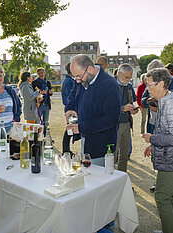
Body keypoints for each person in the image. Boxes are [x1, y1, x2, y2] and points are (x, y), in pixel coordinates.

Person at [65, 54, 121, 232]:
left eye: (79, 76)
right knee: (87, 182)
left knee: (100, 187)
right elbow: (73, 96)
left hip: (102, 145)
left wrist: (81, 127)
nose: (77, 80)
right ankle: (90, 221)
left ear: (90, 69)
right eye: (75, 77)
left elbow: (111, 120)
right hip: (86, 140)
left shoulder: (110, 85)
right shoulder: (82, 79)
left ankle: (106, 225)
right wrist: (70, 108)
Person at [143, 68, 173, 233]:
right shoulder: (164, 100)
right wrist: (153, 145)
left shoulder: (169, 103)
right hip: (168, 157)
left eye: (149, 85)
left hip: (170, 161)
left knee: (162, 197)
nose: (147, 88)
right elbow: (165, 131)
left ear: (161, 84)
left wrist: (152, 139)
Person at [115, 64, 138, 172]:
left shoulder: (128, 86)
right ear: (119, 74)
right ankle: (111, 183)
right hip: (114, 125)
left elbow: (131, 101)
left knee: (124, 155)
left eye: (130, 78)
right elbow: (105, 107)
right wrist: (122, 108)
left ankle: (122, 179)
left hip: (126, 123)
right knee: (113, 155)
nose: (129, 80)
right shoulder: (110, 85)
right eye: (126, 77)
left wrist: (132, 109)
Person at [61, 63, 80, 155]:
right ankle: (66, 150)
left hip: (71, 109)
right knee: (70, 129)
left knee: (70, 129)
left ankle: (66, 149)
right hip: (72, 110)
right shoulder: (70, 82)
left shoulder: (68, 80)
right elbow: (71, 97)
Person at [32, 67, 53, 136]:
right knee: (37, 121)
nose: (41, 74)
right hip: (39, 105)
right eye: (39, 73)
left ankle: (45, 136)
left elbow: (51, 93)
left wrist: (50, 92)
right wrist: (40, 93)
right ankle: (37, 136)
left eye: (42, 73)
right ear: (37, 74)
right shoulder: (35, 83)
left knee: (46, 122)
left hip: (46, 104)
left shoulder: (48, 82)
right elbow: (33, 93)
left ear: (44, 73)